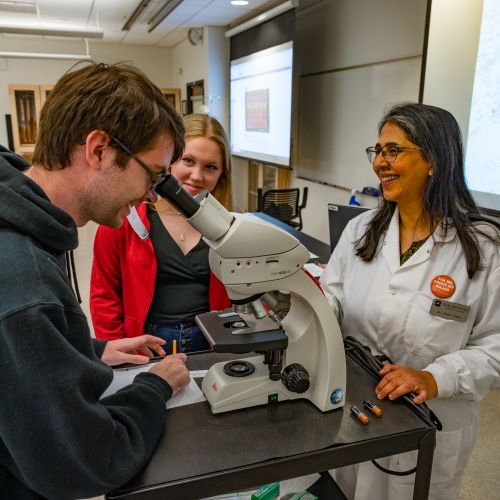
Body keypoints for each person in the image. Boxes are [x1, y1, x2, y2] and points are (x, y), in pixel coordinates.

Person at [0, 62, 192, 499]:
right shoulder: (23, 280)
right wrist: (155, 386)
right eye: (153, 175)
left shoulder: (23, 219)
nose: (152, 195)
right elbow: (86, 461)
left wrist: (90, 351)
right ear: (100, 149)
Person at [320, 103, 500, 500]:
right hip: (356, 408)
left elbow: (495, 346)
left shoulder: (484, 249)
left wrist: (435, 377)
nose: (380, 163)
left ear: (434, 160)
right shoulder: (361, 230)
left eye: (393, 151)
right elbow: (333, 297)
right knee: (348, 489)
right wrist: (306, 312)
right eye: (378, 151)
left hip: (433, 418)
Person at [90, 113, 232, 353]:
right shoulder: (124, 219)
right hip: (146, 345)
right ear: (168, 161)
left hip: (211, 342)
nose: (197, 176)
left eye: (210, 167)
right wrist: (118, 351)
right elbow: (104, 294)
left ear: (221, 174)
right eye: (188, 161)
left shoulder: (229, 225)